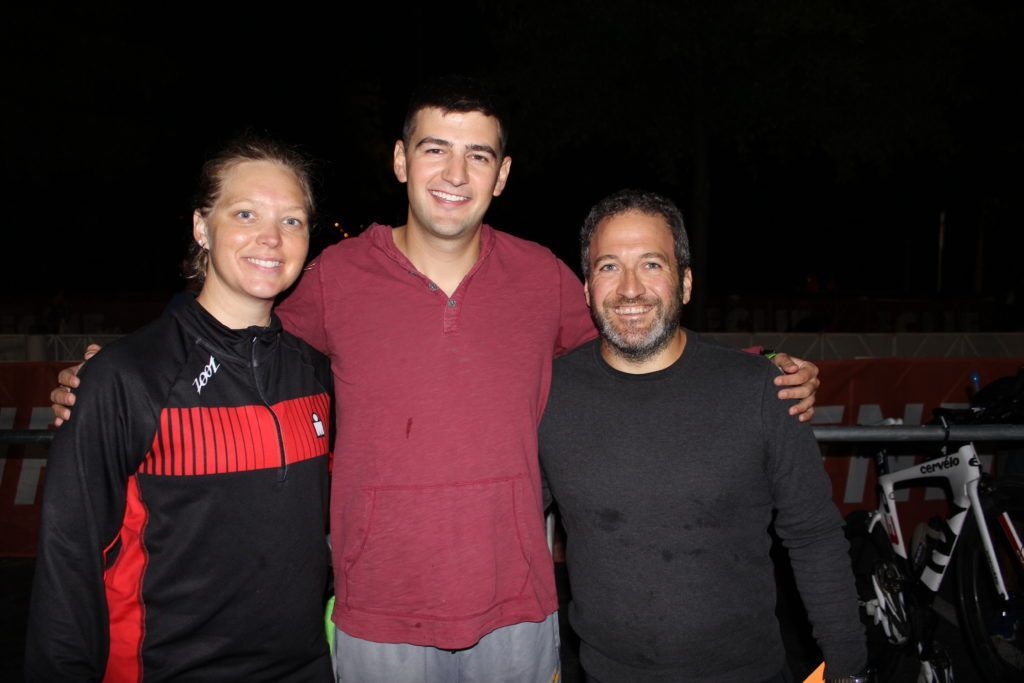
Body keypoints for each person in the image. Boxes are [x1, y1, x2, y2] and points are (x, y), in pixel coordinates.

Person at [51, 77, 822, 682]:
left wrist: (759, 372)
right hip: (374, 617)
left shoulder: (543, 278)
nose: (455, 174)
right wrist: (116, 371)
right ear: (399, 160)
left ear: (503, 173)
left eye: (478, 154)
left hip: (518, 614)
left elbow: (643, 337)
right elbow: (233, 332)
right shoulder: (331, 278)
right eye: (434, 149)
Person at [27, 137, 334, 682]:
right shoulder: (125, 376)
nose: (271, 237)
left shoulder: (318, 375)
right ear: (201, 227)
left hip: (303, 669)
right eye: (246, 214)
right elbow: (68, 560)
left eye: (292, 221)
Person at [538, 189, 867, 683]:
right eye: (608, 267)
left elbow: (814, 535)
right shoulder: (548, 396)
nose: (630, 289)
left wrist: (847, 669)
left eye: (651, 264)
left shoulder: (763, 390)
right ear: (586, 289)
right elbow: (503, 521)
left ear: (686, 283)